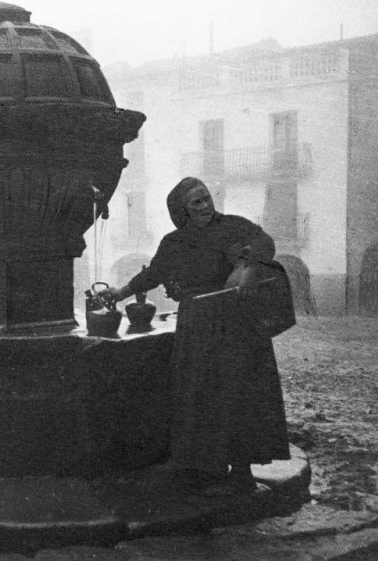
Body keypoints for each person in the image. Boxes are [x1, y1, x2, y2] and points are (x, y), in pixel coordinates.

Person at [101, 177, 290, 495]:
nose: (205, 206)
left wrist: (246, 270)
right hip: (198, 326)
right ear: (182, 212)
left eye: (206, 198)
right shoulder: (173, 243)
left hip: (235, 323)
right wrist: (120, 292)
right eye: (196, 203)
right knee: (200, 396)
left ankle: (241, 475)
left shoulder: (233, 226)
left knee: (236, 391)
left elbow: (263, 242)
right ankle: (207, 469)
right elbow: (152, 274)